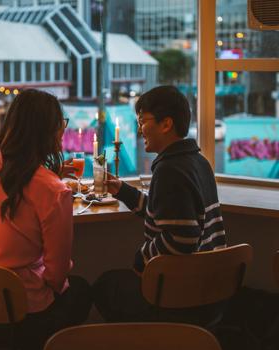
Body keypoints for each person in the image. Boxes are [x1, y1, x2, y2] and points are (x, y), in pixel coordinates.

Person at [0, 89, 91, 350]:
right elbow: (56, 275)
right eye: (60, 125)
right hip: (14, 315)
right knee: (82, 291)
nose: (62, 132)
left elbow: (17, 185)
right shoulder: (54, 191)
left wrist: (49, 175)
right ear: (48, 131)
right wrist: (50, 180)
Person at [93, 85, 226, 323]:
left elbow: (182, 238)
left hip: (179, 293)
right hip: (208, 287)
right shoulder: (197, 162)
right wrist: (123, 191)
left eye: (143, 121)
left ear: (166, 124)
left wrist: (140, 259)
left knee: (105, 287)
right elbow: (168, 215)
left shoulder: (170, 170)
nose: (140, 129)